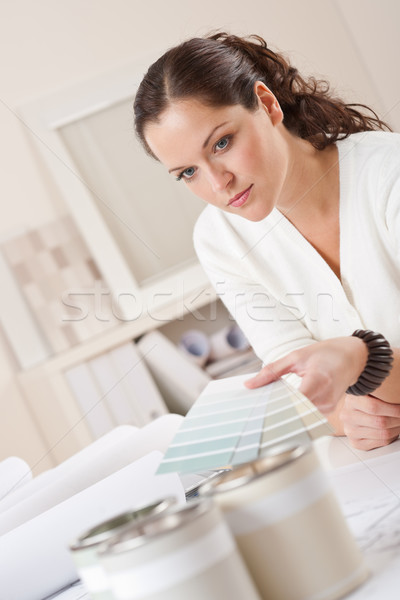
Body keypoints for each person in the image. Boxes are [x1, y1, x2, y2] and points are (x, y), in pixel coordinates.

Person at [133, 32, 400, 450]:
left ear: (268, 104)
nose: (218, 183)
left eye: (222, 143)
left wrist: (360, 360)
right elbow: (298, 389)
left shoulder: (389, 176)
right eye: (187, 172)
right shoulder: (219, 239)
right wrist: (347, 416)